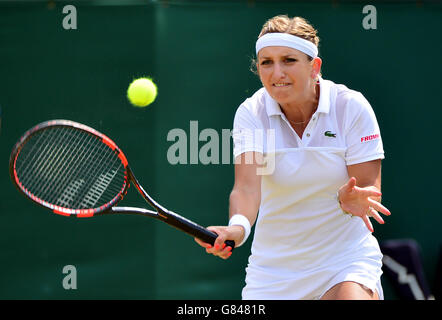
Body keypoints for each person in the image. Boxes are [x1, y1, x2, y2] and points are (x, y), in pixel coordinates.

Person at [195, 15, 391, 300]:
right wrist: (236, 228)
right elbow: (248, 187)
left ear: (315, 66)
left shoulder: (350, 106)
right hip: (274, 273)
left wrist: (351, 200)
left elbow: (367, 189)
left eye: (288, 60)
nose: (277, 73)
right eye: (266, 62)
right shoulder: (251, 113)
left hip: (344, 261)